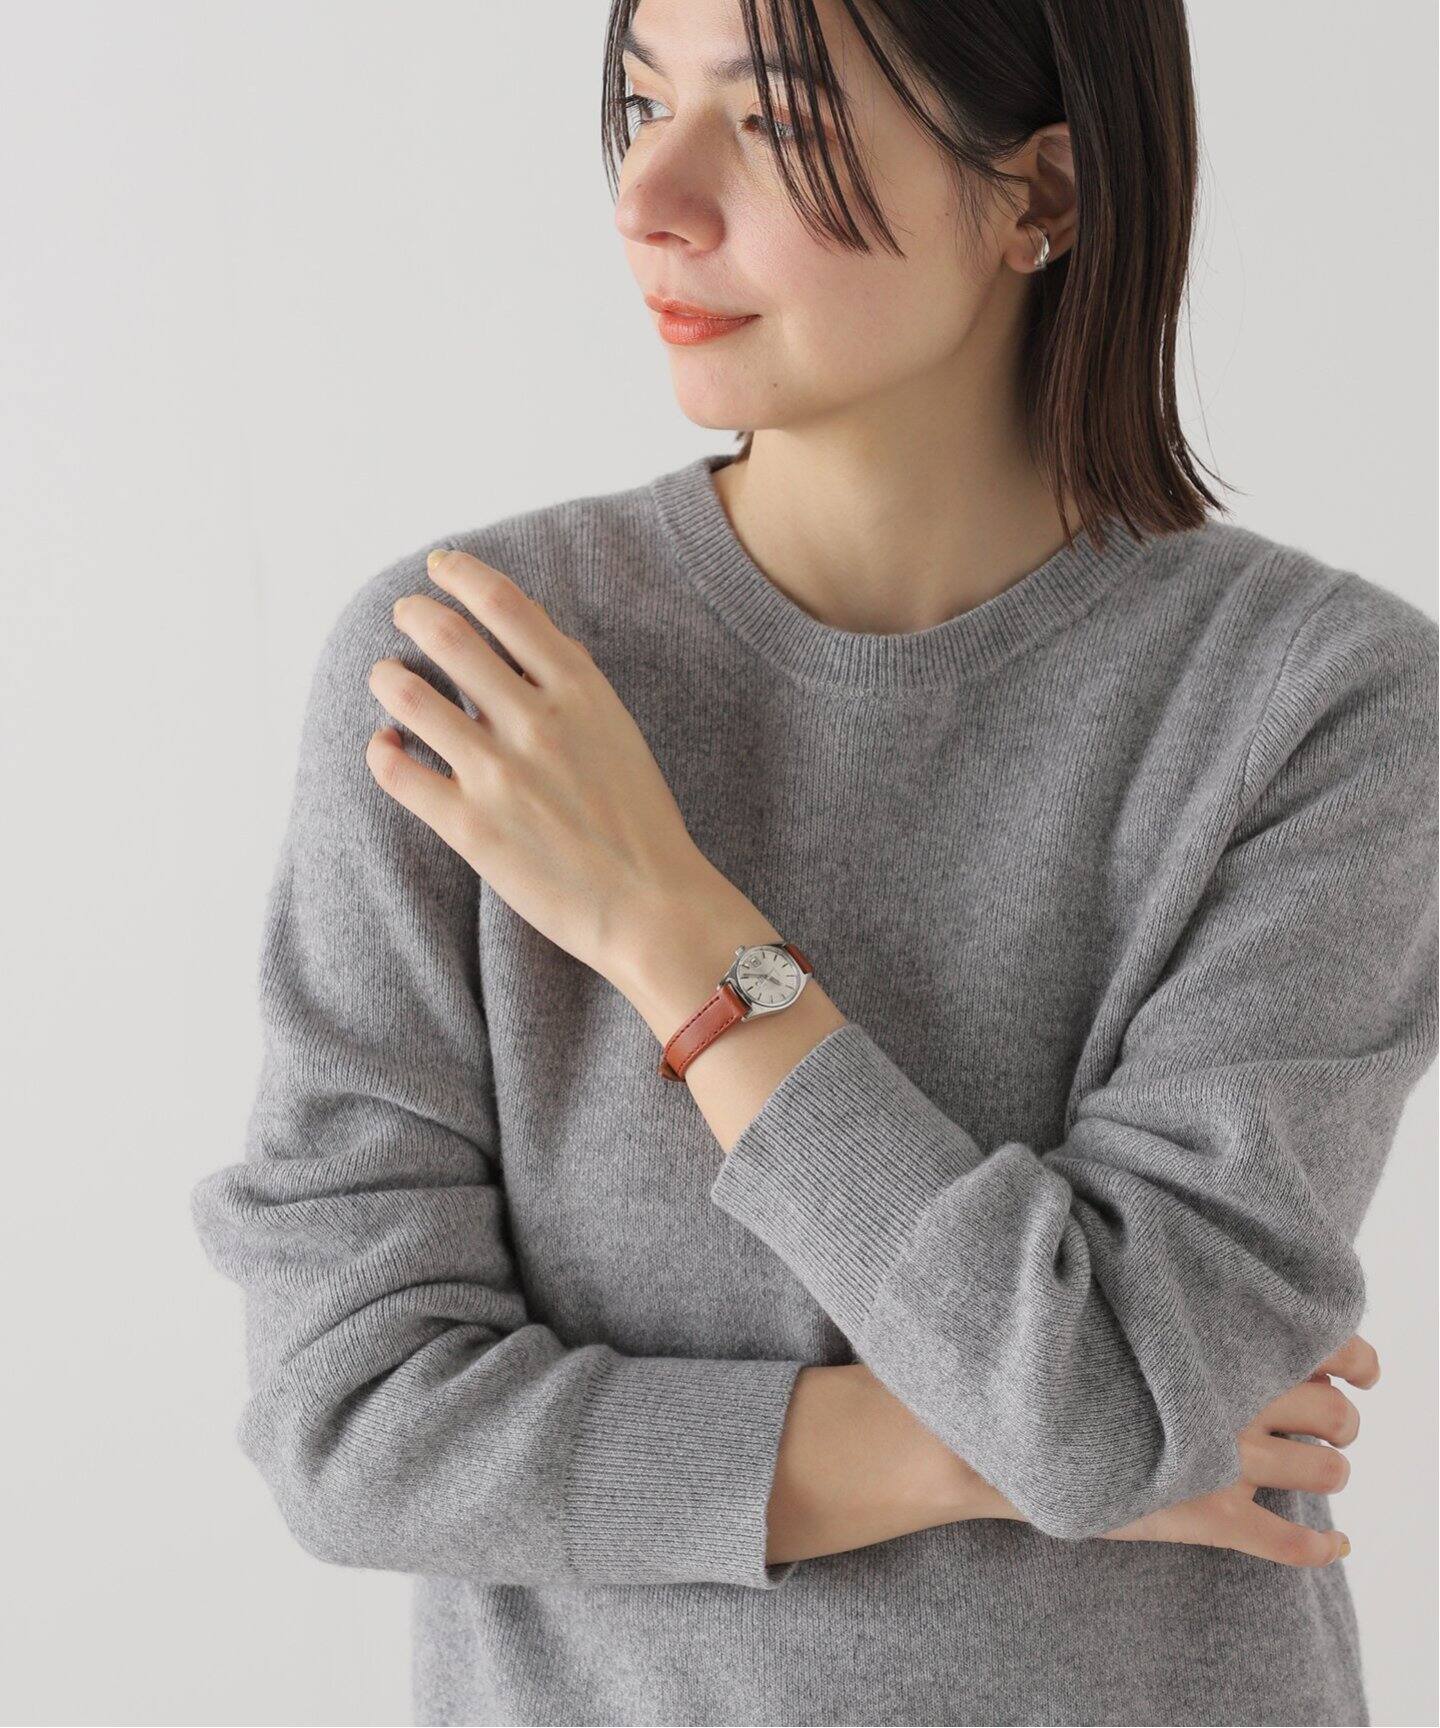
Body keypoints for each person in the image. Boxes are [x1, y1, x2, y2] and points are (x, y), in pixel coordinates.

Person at [190, 1, 1438, 1723]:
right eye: (642, 103)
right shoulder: (466, 681)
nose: (650, 198)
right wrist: (972, 1449)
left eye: (775, 117)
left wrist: (668, 922)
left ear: (1040, 195)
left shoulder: (1319, 709)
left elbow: (1098, 1414)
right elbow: (352, 1425)